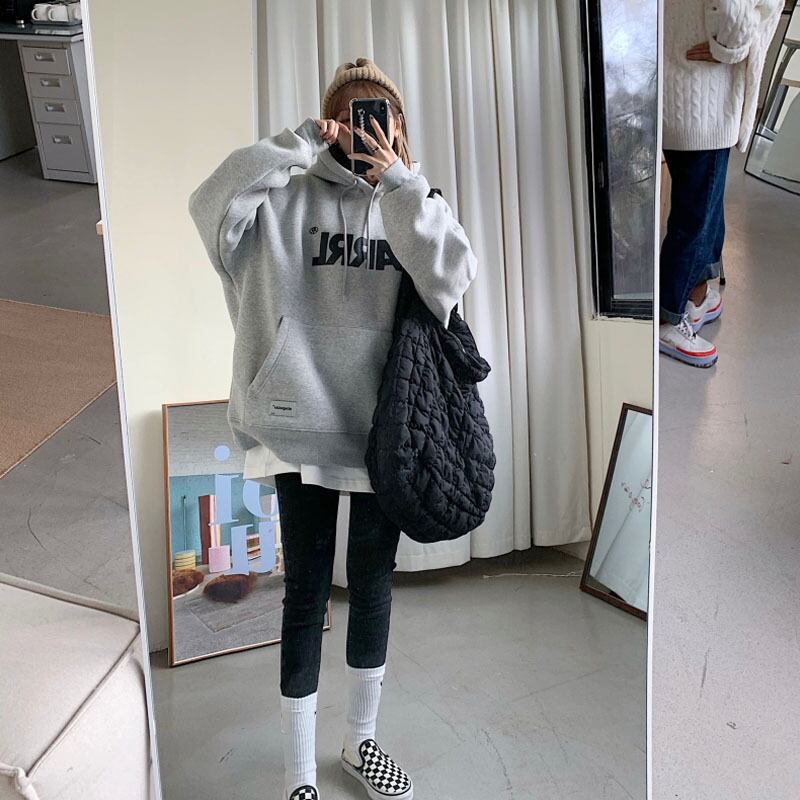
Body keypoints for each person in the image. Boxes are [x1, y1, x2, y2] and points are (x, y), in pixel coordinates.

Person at [188, 58, 477, 800]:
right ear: (329, 121)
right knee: (307, 594)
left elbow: (451, 279)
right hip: (298, 427)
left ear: (401, 125)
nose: (365, 126)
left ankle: (360, 742)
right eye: (351, 114)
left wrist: (399, 183)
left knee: (373, 585)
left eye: (380, 113)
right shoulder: (282, 198)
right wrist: (296, 144)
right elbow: (208, 207)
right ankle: (297, 772)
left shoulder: (415, 202)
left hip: (385, 434)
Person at [660, 0, 783, 367]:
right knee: (696, 215)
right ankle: (670, 317)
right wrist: (729, 48)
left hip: (683, 77)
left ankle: (696, 295)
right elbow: (731, 7)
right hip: (705, 86)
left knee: (704, 204)